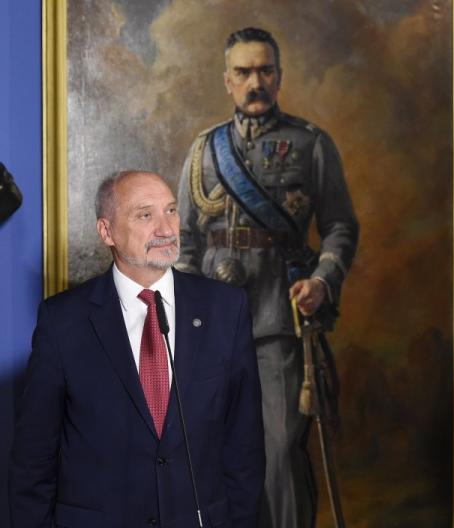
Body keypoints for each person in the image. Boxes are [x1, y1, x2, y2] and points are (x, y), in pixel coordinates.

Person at [176, 27, 358, 528]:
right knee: (220, 456)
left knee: (279, 456)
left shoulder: (310, 144)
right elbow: (185, 241)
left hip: (280, 324)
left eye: (264, 71)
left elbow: (340, 227)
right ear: (227, 81)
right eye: (243, 72)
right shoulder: (204, 151)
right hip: (212, 327)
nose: (255, 82)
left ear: (278, 77)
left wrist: (322, 280)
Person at [9, 170, 265, 528]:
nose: (165, 228)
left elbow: (245, 450)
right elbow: (33, 461)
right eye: (146, 215)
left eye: (171, 211)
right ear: (106, 231)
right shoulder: (61, 320)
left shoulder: (226, 308)